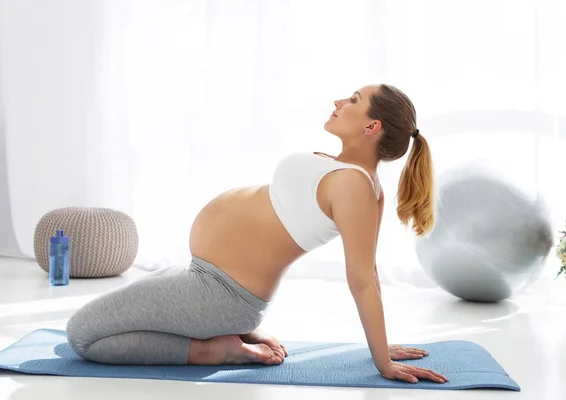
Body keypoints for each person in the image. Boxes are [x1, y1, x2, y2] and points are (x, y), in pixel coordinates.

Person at [66, 84, 448, 385]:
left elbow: (365, 276)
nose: (338, 100)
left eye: (353, 99)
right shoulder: (343, 171)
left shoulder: (356, 188)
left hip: (218, 294)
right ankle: (241, 331)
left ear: (371, 126)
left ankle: (213, 352)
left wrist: (381, 358)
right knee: (115, 318)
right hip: (203, 277)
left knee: (81, 336)